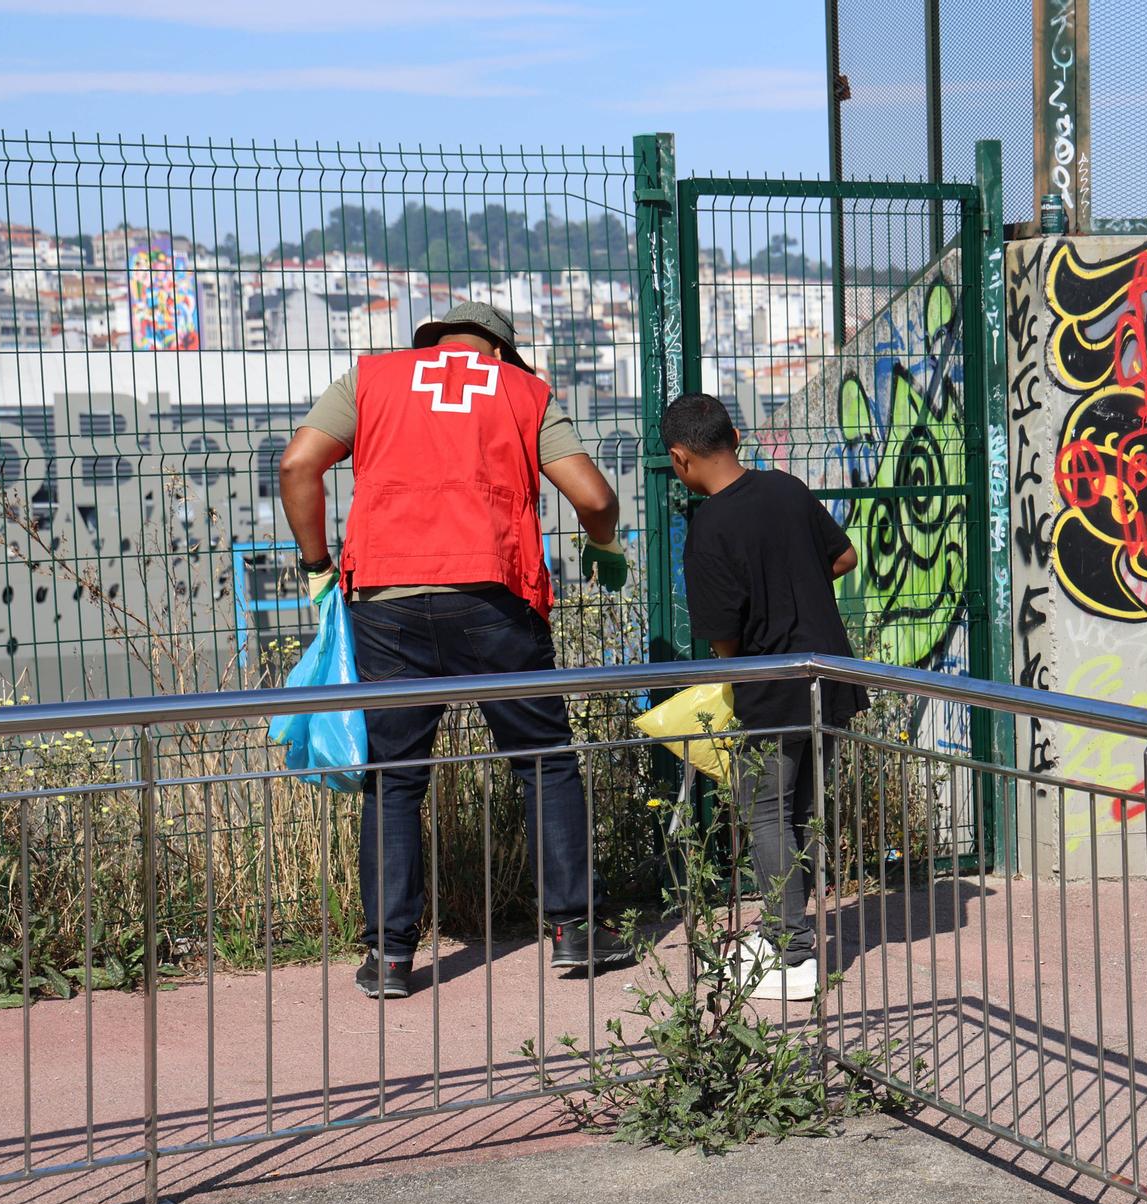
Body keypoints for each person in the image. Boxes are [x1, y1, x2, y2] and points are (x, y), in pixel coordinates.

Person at [278, 301, 635, 1000]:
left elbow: (297, 464)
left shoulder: (372, 378)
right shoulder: (521, 390)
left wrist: (318, 565)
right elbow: (593, 495)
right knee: (544, 763)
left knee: (394, 776)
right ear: (501, 351)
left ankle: (388, 956)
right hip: (495, 598)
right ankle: (574, 929)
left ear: (432, 343)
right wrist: (605, 543)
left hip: (386, 600)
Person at [664, 393, 866, 1002]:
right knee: (800, 809)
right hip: (829, 675)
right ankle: (791, 929)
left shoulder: (709, 527)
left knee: (768, 814)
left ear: (681, 458)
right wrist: (794, 577)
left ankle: (793, 950)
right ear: (734, 438)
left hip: (771, 687)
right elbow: (845, 556)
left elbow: (725, 637)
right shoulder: (787, 488)